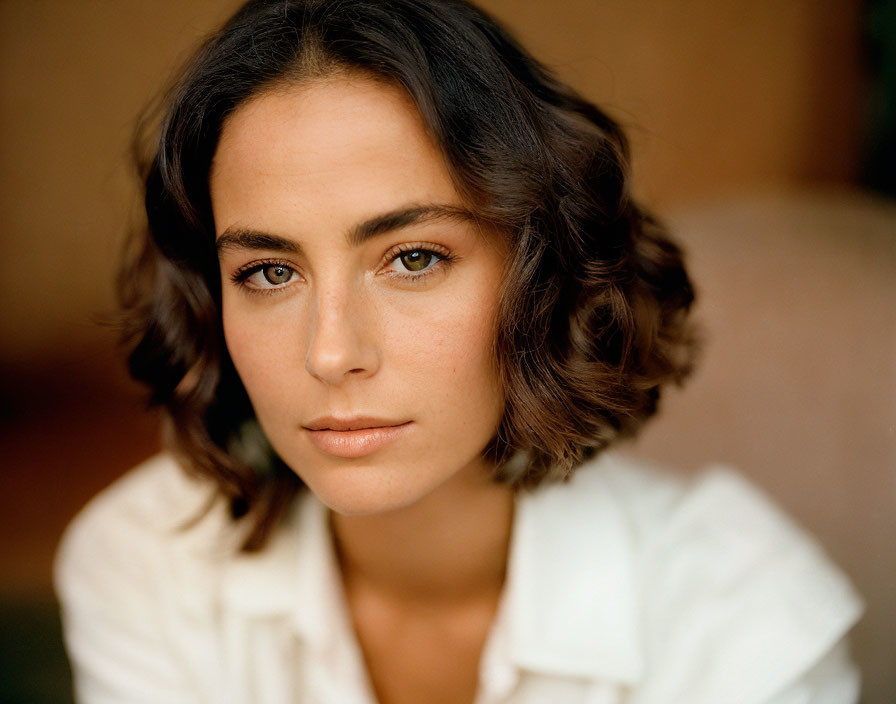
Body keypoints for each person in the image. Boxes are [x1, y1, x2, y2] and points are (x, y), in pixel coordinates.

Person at [54, 1, 864, 702]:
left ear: (543, 273)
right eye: (269, 272)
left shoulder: (741, 618)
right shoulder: (145, 564)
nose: (331, 354)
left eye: (413, 258)